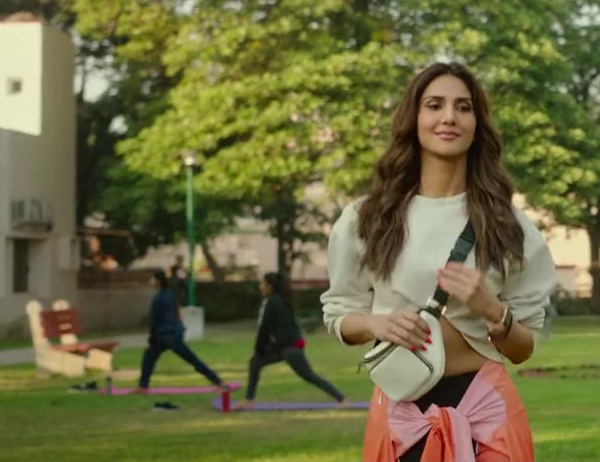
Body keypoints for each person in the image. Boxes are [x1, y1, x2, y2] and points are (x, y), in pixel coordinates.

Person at [321, 62, 557, 462]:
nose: (449, 117)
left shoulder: (509, 226)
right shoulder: (368, 218)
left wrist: (493, 310)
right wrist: (377, 324)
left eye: (463, 107)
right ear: (414, 118)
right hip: (401, 411)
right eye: (435, 105)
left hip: (486, 411)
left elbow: (523, 349)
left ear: (477, 124)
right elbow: (339, 314)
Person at [234, 272, 348, 411]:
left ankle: (342, 399)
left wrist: (259, 350)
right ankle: (248, 400)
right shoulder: (280, 300)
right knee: (255, 363)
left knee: (309, 376)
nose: (261, 286)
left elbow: (265, 329)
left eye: (263, 284)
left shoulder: (273, 302)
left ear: (270, 286)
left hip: (289, 347)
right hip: (285, 345)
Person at [135, 271, 229, 393]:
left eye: (152, 279)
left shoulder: (158, 298)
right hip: (172, 333)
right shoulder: (170, 294)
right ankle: (143, 386)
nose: (150, 282)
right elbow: (177, 313)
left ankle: (218, 382)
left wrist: (151, 337)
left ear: (158, 281)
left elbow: (154, 319)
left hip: (166, 335)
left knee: (190, 359)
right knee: (150, 356)